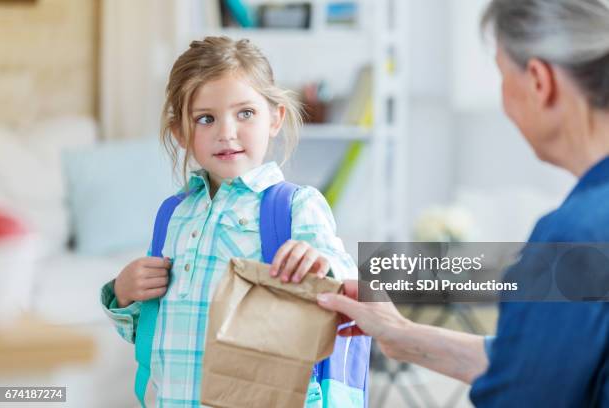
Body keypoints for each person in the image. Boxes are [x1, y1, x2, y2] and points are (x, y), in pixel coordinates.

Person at [317, 0, 609, 405]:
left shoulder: (574, 234)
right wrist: (399, 334)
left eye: (504, 76)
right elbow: (539, 360)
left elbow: (524, 395)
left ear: (540, 81)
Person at [100, 36, 356, 407]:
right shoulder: (173, 215)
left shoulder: (295, 207)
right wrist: (124, 294)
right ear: (181, 134)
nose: (227, 132)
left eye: (245, 113)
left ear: (275, 117)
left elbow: (350, 289)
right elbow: (152, 331)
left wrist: (321, 267)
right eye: (206, 119)